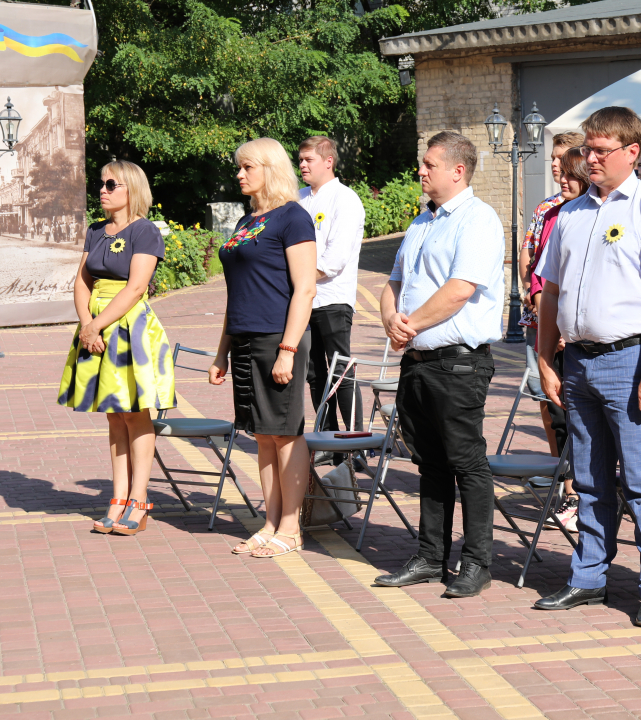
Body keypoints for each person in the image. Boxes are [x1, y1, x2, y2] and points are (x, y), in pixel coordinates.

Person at [533, 106, 641, 628]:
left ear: (631, 153)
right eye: (587, 150)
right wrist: (544, 357)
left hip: (629, 358)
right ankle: (588, 575)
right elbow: (550, 292)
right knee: (590, 478)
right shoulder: (571, 215)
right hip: (576, 361)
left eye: (600, 151)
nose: (590, 159)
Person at [373, 131, 505, 599]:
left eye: (429, 164)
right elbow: (393, 282)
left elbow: (460, 289)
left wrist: (408, 327)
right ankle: (431, 556)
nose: (421, 171)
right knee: (428, 462)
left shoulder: (478, 220)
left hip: (457, 363)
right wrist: (391, 318)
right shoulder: (421, 222)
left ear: (457, 170)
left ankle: (476, 562)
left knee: (466, 462)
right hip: (418, 361)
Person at [210, 138, 318, 559]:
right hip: (244, 339)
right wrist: (222, 350)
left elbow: (305, 288)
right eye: (238, 167)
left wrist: (288, 349)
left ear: (270, 168)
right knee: (262, 435)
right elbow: (234, 293)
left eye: (247, 166)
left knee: (286, 433)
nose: (239, 173)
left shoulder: (294, 218)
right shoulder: (246, 221)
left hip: (278, 337)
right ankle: (270, 521)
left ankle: (291, 527)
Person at [60, 161, 175, 536]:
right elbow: (81, 283)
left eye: (112, 184)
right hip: (94, 325)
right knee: (114, 414)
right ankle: (118, 497)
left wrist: (96, 324)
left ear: (132, 190)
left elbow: (136, 287)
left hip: (127, 326)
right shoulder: (95, 231)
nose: (103, 189)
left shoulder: (145, 231)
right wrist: (86, 325)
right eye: (102, 183)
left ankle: (138, 502)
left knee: (135, 413)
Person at [527, 146, 592, 531]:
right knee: (559, 416)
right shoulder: (556, 214)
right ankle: (570, 491)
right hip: (552, 329)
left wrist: (566, 327)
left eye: (570, 174)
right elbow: (541, 276)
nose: (561, 180)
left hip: (579, 336)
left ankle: (585, 494)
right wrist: (548, 326)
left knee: (581, 422)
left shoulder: (589, 215)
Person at [297, 135, 366, 444]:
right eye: (300, 160)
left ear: (328, 162)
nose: (302, 165)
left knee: (340, 372)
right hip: (302, 302)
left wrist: (297, 280)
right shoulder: (298, 199)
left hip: (332, 299)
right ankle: (327, 441)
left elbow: (334, 260)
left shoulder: (345, 199)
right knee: (314, 375)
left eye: (308, 160)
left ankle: (354, 442)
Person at [521, 132, 583, 461]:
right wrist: (538, 300)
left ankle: (580, 485)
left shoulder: (590, 214)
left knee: (580, 412)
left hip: (574, 329)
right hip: (548, 318)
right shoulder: (549, 211)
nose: (556, 167)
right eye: (554, 159)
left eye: (564, 160)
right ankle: (565, 477)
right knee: (552, 402)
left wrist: (561, 327)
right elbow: (534, 262)